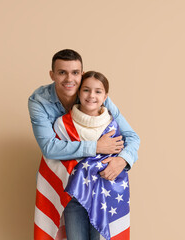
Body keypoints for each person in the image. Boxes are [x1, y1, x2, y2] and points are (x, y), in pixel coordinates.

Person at [29, 49, 139, 240]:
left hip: (101, 185)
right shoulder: (39, 101)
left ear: (82, 74)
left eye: (75, 72)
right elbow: (48, 147)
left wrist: (122, 161)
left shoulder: (92, 94)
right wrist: (95, 147)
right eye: (62, 72)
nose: (69, 79)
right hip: (68, 181)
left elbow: (131, 136)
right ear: (52, 74)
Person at [59, 71, 131, 239]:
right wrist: (96, 148)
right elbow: (54, 156)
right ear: (78, 92)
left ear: (105, 96)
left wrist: (120, 160)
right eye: (86, 90)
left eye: (98, 91)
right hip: (74, 195)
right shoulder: (64, 124)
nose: (92, 96)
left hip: (105, 194)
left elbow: (131, 143)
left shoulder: (113, 124)